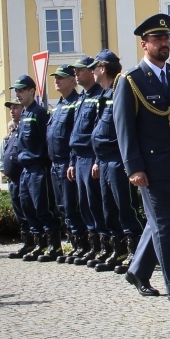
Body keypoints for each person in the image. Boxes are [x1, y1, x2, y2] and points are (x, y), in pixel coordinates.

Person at [116, 13, 170, 302]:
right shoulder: (131, 80)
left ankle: (138, 270)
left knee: (161, 222)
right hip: (150, 167)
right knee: (166, 224)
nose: (164, 43)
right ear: (145, 44)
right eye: (158, 39)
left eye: (166, 38)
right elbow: (125, 127)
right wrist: (134, 167)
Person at [90, 49, 144, 271]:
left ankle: (136, 253)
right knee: (108, 208)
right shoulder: (103, 95)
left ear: (102, 68)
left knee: (126, 207)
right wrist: (96, 159)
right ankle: (118, 249)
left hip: (118, 159)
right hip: (103, 159)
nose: (92, 72)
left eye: (94, 68)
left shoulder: (121, 91)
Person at [11, 75, 60, 262]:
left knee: (43, 207)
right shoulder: (24, 114)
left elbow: (46, 141)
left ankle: (53, 246)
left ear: (32, 91)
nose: (18, 94)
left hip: (39, 168)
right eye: (16, 91)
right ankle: (36, 243)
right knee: (27, 207)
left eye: (21, 90)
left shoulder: (39, 113)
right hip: (26, 170)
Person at [68, 56, 107, 266]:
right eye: (75, 71)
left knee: (95, 203)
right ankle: (93, 245)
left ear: (91, 72)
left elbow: (97, 132)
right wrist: (72, 161)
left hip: (92, 157)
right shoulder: (82, 98)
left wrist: (97, 160)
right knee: (84, 204)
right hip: (80, 158)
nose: (76, 74)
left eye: (80, 70)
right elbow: (76, 132)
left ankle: (104, 245)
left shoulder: (99, 96)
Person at [47, 65, 85, 262]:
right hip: (55, 164)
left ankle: (82, 245)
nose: (57, 80)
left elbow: (74, 137)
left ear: (72, 80)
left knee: (72, 205)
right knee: (62, 206)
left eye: (61, 77)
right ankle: (73, 243)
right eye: (55, 77)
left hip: (68, 162)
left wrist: (72, 161)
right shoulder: (58, 106)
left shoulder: (76, 103)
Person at [1, 99, 33, 259]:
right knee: (20, 213)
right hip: (13, 179)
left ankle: (34, 243)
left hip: (24, 176)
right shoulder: (13, 130)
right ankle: (26, 243)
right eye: (11, 108)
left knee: (29, 210)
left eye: (15, 108)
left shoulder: (25, 127)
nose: (12, 111)